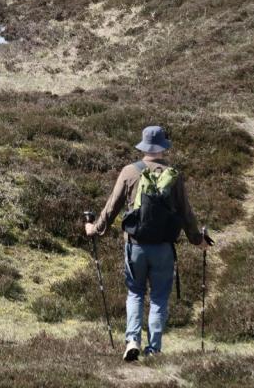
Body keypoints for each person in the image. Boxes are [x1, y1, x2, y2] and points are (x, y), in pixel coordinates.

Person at [85, 125, 210, 361]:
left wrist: (95, 229)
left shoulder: (129, 172)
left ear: (143, 146)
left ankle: (132, 339)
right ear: (163, 147)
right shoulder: (173, 175)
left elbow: (112, 207)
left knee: (135, 293)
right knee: (160, 297)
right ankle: (154, 349)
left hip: (135, 246)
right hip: (164, 248)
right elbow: (186, 213)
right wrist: (197, 239)